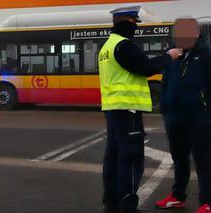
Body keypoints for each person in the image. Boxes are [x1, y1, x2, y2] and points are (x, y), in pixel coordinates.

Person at [98, 5, 182, 213]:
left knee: (113, 157)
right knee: (131, 157)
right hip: (128, 110)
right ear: (126, 21)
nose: (136, 27)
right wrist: (168, 56)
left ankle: (111, 202)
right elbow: (146, 68)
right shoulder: (124, 45)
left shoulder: (106, 46)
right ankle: (127, 205)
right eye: (134, 23)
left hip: (113, 108)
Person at [155, 18, 211, 213]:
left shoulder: (206, 54)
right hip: (174, 116)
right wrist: (165, 107)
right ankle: (178, 196)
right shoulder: (172, 55)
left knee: (203, 160)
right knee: (179, 159)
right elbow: (165, 83)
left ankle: (207, 202)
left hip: (199, 117)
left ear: (196, 34)